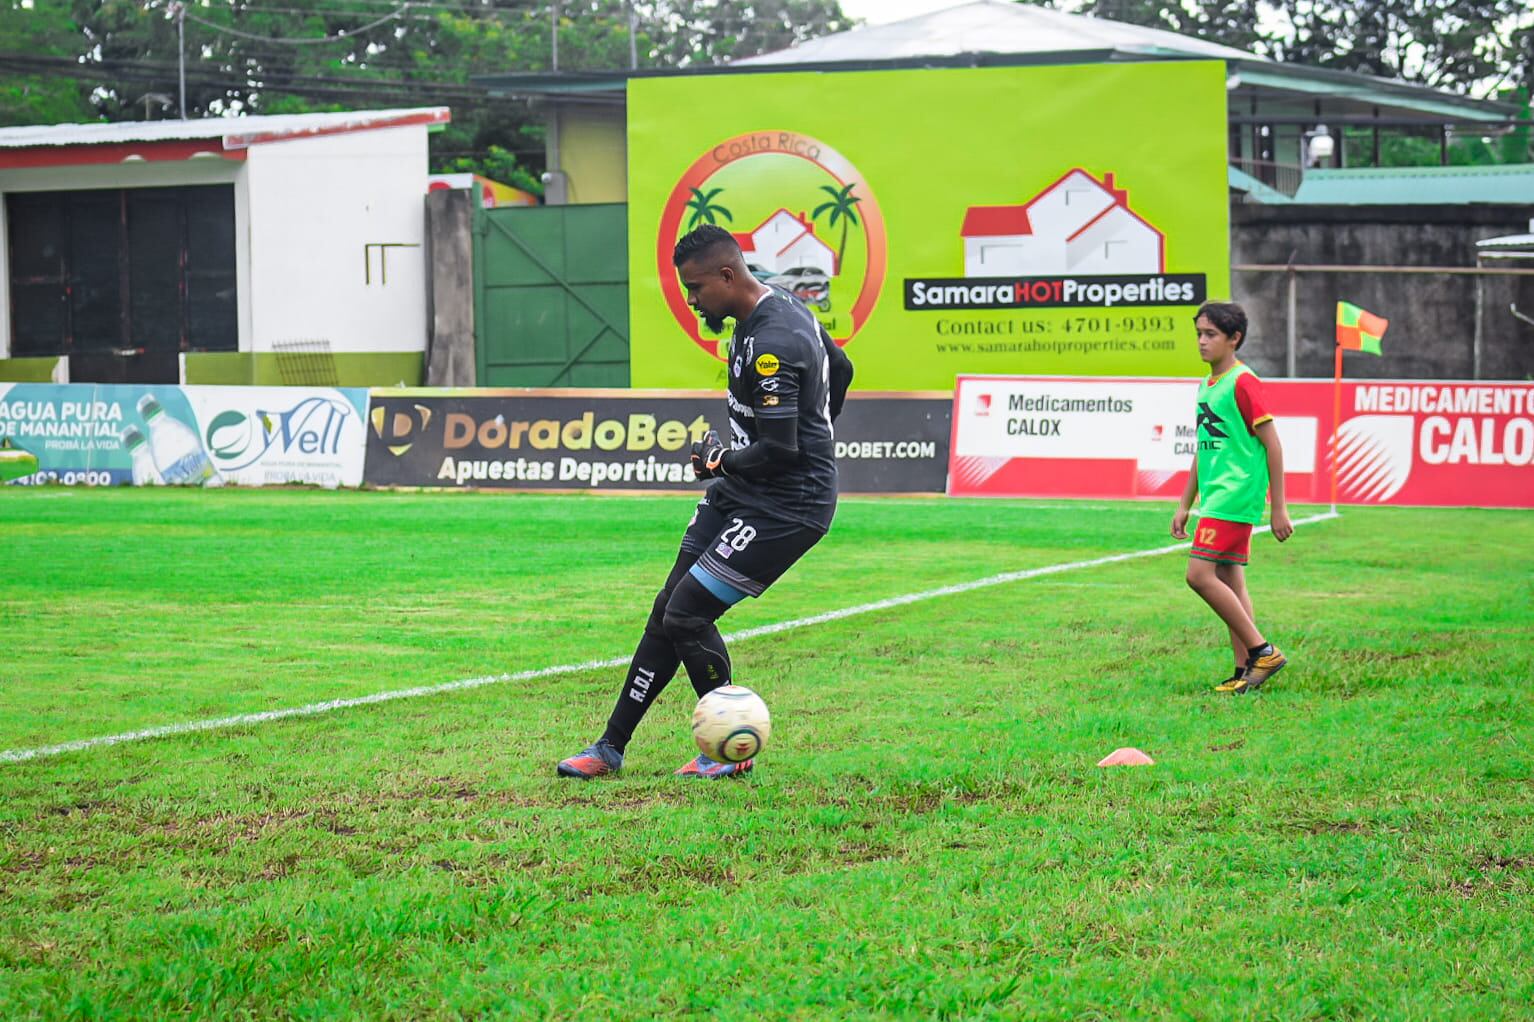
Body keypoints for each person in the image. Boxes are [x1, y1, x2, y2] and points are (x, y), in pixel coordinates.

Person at [557, 224, 853, 778]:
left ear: (727, 275)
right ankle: (608, 749)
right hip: (744, 490)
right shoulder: (767, 312)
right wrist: (809, 431)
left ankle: (730, 749)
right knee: (668, 607)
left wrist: (723, 461)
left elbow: (781, 449)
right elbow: (843, 370)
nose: (692, 301)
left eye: (696, 288)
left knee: (689, 613)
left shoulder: (775, 340)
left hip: (789, 508)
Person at [1170, 301, 1293, 694]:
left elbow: (1272, 445)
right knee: (1230, 579)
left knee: (1198, 575)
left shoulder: (1243, 381)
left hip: (1236, 495)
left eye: (1211, 335)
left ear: (1234, 338)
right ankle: (1245, 672)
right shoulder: (1208, 385)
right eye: (1199, 334)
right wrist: (1185, 502)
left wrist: (1278, 507)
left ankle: (1263, 650)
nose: (1202, 342)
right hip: (1217, 496)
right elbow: (1203, 449)